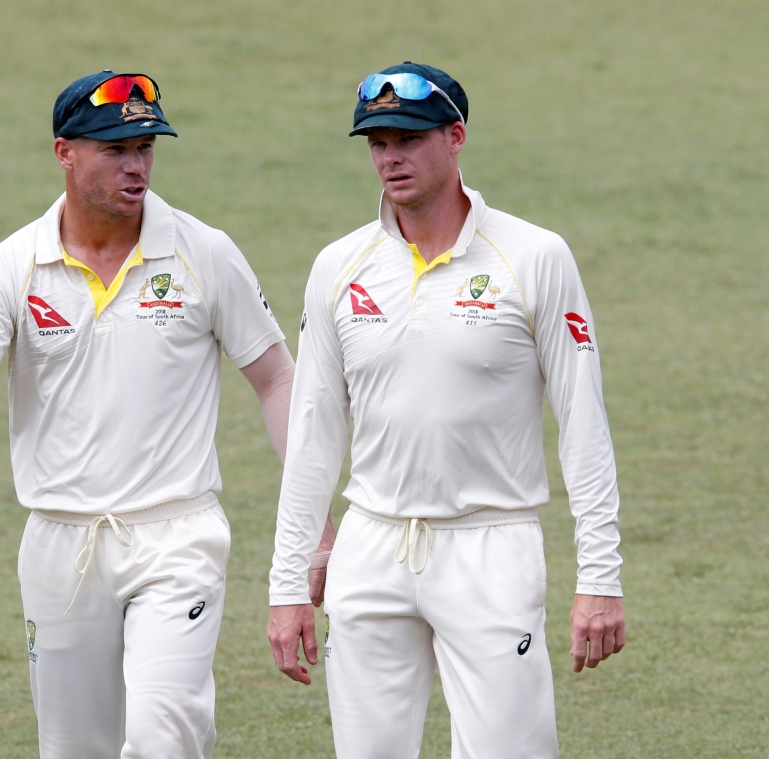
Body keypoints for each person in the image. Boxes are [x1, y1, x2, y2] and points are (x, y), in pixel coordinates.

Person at [0, 70, 298, 759]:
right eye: (115, 149)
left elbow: (277, 379)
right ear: (65, 152)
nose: (137, 166)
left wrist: (314, 516)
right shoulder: (12, 265)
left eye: (147, 147)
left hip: (176, 534)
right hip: (61, 543)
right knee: (76, 749)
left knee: (164, 736)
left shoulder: (203, 253)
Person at [266, 62, 626, 759]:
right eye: (376, 142)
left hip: (491, 548)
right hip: (370, 552)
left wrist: (601, 578)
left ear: (455, 136)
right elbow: (314, 434)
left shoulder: (535, 256)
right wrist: (287, 581)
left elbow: (584, 423)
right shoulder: (338, 266)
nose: (390, 157)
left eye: (408, 138)